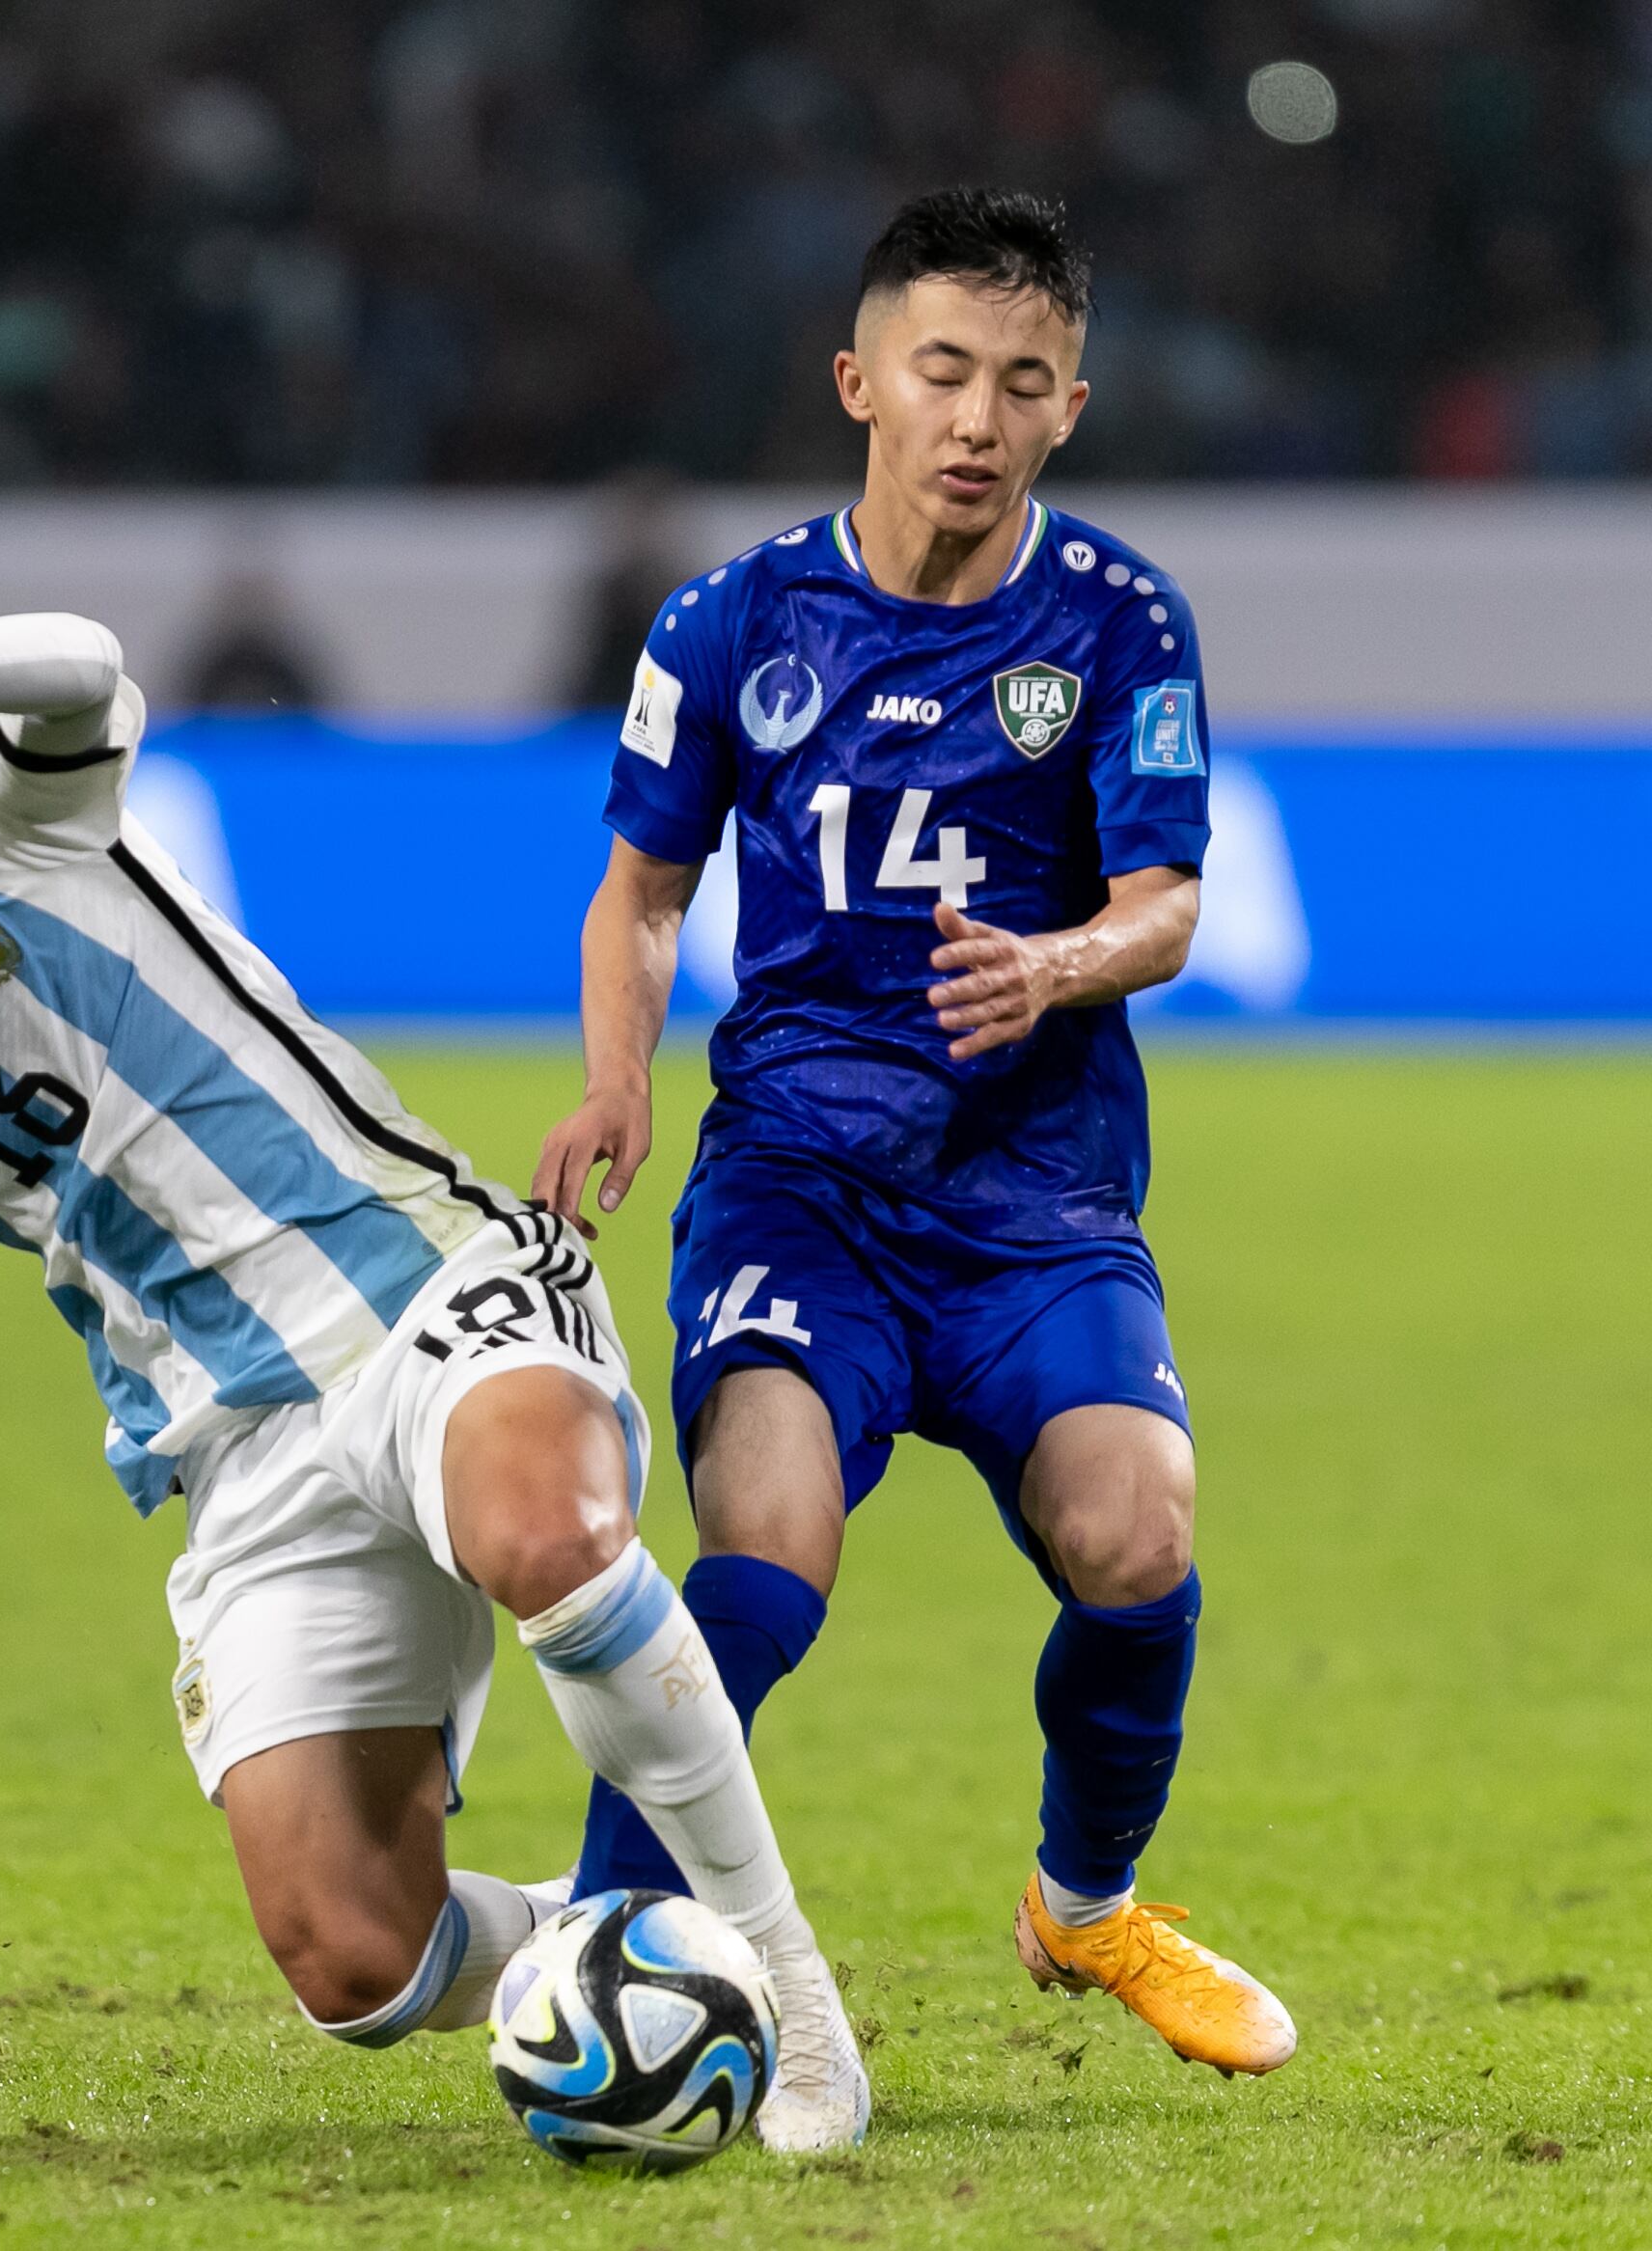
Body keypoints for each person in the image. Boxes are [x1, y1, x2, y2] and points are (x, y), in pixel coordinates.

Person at [0, 568, 869, 2148]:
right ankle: (612, 1932)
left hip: (422, 1289)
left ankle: (799, 2003)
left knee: (547, 1538)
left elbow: (83, 667)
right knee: (355, 1960)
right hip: (233, 1442)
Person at [530, 187, 1297, 2078]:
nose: (974, 415)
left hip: (1034, 1193)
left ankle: (1086, 1907)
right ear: (862, 378)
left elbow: (1170, 904)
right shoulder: (733, 622)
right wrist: (616, 1078)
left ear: (1068, 408)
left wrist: (1056, 968)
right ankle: (605, 1946)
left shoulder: (1116, 620)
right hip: (798, 1179)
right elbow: (638, 892)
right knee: (765, 1547)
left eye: (1018, 383)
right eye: (942, 370)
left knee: (1136, 1534)